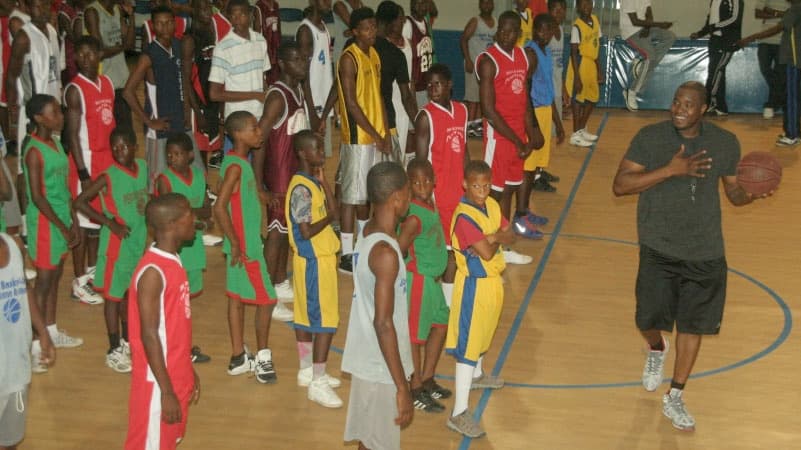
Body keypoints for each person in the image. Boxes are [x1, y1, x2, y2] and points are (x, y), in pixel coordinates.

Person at [612, 81, 771, 432]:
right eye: (675, 102)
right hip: (658, 245)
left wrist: (752, 194)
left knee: (693, 325)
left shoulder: (724, 142)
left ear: (702, 109)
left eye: (687, 104)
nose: (679, 109)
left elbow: (733, 191)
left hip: (705, 251)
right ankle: (656, 348)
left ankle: (676, 394)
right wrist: (671, 170)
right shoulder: (650, 138)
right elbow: (620, 185)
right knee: (646, 319)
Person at [342, 161, 413, 450]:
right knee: (378, 445)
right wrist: (401, 386)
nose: (410, 199)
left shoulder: (370, 230)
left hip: (371, 357)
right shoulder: (385, 253)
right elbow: (383, 323)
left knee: (369, 442)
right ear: (397, 198)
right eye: (407, 193)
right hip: (379, 365)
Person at [124, 193, 200, 450]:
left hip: (174, 374)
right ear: (173, 224)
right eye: (189, 213)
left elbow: (173, 330)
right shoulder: (152, 273)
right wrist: (166, 391)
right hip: (157, 385)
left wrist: (188, 371)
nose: (195, 218)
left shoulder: (173, 261)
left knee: (167, 442)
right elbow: (149, 335)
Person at [445, 160, 513, 438]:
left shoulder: (493, 206)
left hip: (493, 282)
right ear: (465, 184)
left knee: (484, 334)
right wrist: (496, 237)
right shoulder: (464, 217)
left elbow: (512, 235)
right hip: (473, 286)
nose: (482, 191)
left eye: (486, 185)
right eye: (476, 186)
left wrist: (493, 237)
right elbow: (486, 252)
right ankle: (458, 413)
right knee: (468, 345)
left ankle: (477, 375)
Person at [73, 127, 148, 374]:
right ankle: (113, 348)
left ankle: (127, 342)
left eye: (123, 146)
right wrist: (109, 222)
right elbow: (80, 202)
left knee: (128, 295)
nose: (119, 151)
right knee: (113, 297)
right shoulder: (108, 176)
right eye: (114, 147)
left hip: (137, 242)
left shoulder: (142, 168)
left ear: (134, 146)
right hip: (116, 245)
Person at [213, 111, 280, 383]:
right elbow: (219, 205)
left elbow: (245, 194)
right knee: (268, 299)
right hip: (246, 249)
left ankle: (239, 356)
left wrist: (266, 196)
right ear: (238, 134)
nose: (259, 132)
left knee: (236, 299)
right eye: (254, 128)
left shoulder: (240, 162)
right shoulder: (235, 167)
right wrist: (236, 242)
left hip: (240, 247)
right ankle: (263, 358)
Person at [22, 94, 83, 372]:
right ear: (38, 118)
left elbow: (63, 186)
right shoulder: (34, 151)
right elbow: (37, 197)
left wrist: (73, 219)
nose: (60, 116)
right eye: (54, 112)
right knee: (43, 283)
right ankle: (36, 345)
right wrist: (61, 224)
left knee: (56, 276)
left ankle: (52, 329)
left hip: (61, 219)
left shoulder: (56, 143)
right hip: (46, 224)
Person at [477, 11, 543, 263]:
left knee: (510, 190)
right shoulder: (488, 60)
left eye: (511, 31)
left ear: (519, 33)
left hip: (517, 137)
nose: (506, 35)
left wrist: (531, 133)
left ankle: (502, 248)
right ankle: (483, 245)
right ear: (497, 32)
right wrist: (517, 141)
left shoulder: (523, 58)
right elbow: (488, 110)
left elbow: (524, 100)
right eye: (502, 30)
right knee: (492, 193)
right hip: (499, 137)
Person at [251, 41, 308, 322]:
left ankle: (278, 279)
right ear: (283, 64)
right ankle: (266, 293)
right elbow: (258, 139)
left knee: (286, 230)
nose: (303, 63)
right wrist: (259, 184)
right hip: (279, 173)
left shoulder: (297, 89)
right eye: (296, 59)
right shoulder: (277, 97)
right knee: (276, 232)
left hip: (294, 172)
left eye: (304, 58)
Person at [286, 129, 343, 408]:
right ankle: (317, 381)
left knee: (308, 316)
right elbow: (306, 231)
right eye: (317, 149)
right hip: (313, 261)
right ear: (302, 153)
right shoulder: (300, 189)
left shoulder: (312, 183)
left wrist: (325, 185)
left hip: (318, 261)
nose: (322, 153)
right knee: (325, 321)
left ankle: (308, 370)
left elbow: (334, 214)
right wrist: (330, 216)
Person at [333, 7, 391, 274]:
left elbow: (377, 95)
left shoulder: (375, 55)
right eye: (367, 27)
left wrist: (385, 129)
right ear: (355, 31)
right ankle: (346, 255)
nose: (372, 31)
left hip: (376, 134)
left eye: (374, 26)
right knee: (350, 197)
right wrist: (376, 134)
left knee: (365, 195)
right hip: (357, 137)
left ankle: (362, 243)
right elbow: (351, 104)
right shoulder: (349, 59)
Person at [123, 6, 204, 193]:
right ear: (153, 26)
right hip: (161, 126)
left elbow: (185, 80)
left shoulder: (179, 46)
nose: (165, 27)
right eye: (159, 23)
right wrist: (149, 121)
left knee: (191, 171)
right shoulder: (149, 54)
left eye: (168, 22)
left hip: (181, 120)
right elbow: (128, 91)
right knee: (158, 182)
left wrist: (193, 111)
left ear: (175, 23)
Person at [153, 132, 214, 363]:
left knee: (185, 303)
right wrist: (194, 214)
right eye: (169, 155)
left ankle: (183, 346)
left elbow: (207, 209)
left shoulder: (199, 175)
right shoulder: (165, 180)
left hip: (194, 246)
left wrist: (191, 214)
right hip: (175, 249)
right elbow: (171, 214)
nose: (172, 159)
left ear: (190, 155)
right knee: (173, 302)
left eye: (177, 154)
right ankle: (171, 346)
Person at [397, 158, 451, 414]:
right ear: (408, 184)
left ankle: (427, 376)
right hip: (419, 280)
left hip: (433, 282)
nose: (422, 186)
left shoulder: (428, 204)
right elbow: (399, 247)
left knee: (440, 325)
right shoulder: (414, 217)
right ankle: (415, 385)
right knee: (415, 337)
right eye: (416, 182)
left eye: (427, 181)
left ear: (434, 180)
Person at [413, 63, 468, 314]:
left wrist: (469, 181)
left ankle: (448, 295)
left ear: (449, 85)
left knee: (457, 248)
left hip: (460, 192)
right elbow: (421, 163)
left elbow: (464, 148)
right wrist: (423, 198)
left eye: (437, 84)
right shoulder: (425, 117)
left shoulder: (462, 111)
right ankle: (445, 303)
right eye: (429, 85)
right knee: (446, 251)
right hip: (440, 195)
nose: (432, 89)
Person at [63, 36, 111, 306]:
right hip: (86, 163)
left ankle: (92, 272)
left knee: (96, 224)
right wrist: (83, 174)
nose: (84, 58)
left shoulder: (106, 84)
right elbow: (71, 136)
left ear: (100, 54)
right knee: (82, 224)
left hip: (105, 160)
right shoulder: (74, 90)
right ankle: (78, 281)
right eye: (79, 54)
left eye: (90, 53)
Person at [0, 221, 56, 448]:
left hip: (17, 370)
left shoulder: (14, 244)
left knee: (10, 439)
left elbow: (25, 289)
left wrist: (43, 333)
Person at [208, 0, 271, 157]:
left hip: (260, 118)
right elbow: (214, 94)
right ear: (229, 17)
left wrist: (265, 95)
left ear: (250, 15)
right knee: (237, 168)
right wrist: (254, 95)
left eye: (242, 14)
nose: (237, 19)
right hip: (238, 122)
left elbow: (263, 77)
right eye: (233, 15)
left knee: (257, 169)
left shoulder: (260, 41)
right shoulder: (222, 48)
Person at [738, 0, 801, 146]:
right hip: (796, 60)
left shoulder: (796, 8)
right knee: (795, 98)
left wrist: (750, 38)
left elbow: (777, 28)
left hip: (793, 60)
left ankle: (791, 135)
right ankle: (795, 131)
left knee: (790, 99)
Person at [7, 0, 64, 157]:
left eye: (45, 5)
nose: (43, 10)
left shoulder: (52, 31)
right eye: (37, 6)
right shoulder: (24, 38)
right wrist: (13, 116)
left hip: (53, 108)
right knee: (29, 162)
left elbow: (56, 70)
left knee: (52, 159)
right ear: (27, 8)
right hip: (34, 113)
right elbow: (11, 76)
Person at [523, 14, 564, 202]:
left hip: (546, 108)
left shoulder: (546, 51)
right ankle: (524, 205)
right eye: (541, 29)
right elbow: (525, 89)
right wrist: (532, 123)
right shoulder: (531, 53)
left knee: (540, 156)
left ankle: (537, 179)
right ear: (534, 30)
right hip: (535, 110)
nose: (545, 33)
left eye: (549, 29)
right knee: (529, 161)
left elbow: (548, 89)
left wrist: (559, 124)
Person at [374, 1, 417, 164]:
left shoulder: (406, 46)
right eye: (399, 19)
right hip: (388, 110)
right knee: (389, 163)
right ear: (391, 22)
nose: (402, 22)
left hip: (398, 109)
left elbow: (409, 86)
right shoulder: (388, 52)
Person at [182, 0, 222, 166]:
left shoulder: (211, 33)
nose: (207, 12)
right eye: (202, 8)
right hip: (197, 103)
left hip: (211, 99)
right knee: (197, 149)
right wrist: (197, 112)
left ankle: (204, 186)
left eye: (209, 8)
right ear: (194, 11)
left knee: (207, 148)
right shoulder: (189, 40)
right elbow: (185, 78)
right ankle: (200, 188)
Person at [84, 0, 134, 130]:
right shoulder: (92, 12)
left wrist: (131, 16)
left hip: (122, 79)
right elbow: (99, 51)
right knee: (108, 131)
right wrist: (122, 46)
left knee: (125, 130)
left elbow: (130, 43)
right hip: (104, 81)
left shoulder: (118, 10)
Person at [619, 0, 676, 112]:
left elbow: (649, 13)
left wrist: (647, 27)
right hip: (631, 32)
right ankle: (631, 92)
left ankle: (643, 65)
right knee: (650, 56)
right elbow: (635, 21)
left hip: (645, 28)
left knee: (670, 36)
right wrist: (660, 24)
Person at [690, 0, 744, 116]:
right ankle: (720, 106)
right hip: (715, 40)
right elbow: (711, 19)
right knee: (716, 73)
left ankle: (707, 103)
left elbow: (735, 18)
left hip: (728, 41)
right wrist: (700, 33)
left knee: (716, 72)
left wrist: (715, 26)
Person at [297, 0, 334, 158]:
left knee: (321, 155)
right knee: (310, 155)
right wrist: (312, 112)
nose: (328, 2)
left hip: (323, 101)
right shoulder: (306, 30)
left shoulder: (324, 27)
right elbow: (303, 74)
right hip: (311, 103)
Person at [565, 0, 603, 147]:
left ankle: (581, 128)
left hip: (591, 63)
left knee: (593, 98)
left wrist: (599, 68)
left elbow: (596, 46)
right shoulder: (577, 27)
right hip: (580, 63)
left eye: (589, 3)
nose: (586, 7)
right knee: (578, 100)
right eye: (583, 4)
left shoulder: (595, 20)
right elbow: (573, 53)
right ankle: (576, 133)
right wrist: (577, 78)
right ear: (578, 8)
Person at [460, 0, 495, 138]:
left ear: (493, 5)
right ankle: (468, 128)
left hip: (487, 69)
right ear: (480, 5)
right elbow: (463, 39)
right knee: (472, 99)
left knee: (484, 99)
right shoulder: (475, 21)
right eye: (484, 3)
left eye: (489, 3)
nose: (487, 5)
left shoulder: (496, 22)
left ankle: (478, 128)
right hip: (474, 65)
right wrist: (468, 59)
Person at [753, 1, 788, 119]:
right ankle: (782, 100)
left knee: (780, 74)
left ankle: (771, 105)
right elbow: (757, 13)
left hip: (784, 41)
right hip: (765, 40)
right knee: (765, 69)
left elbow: (793, 15)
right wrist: (780, 14)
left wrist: (771, 12)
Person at [403, 0, 434, 107]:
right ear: (412, 5)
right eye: (419, 3)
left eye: (425, 3)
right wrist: (410, 84)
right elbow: (404, 56)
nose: (423, 6)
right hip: (414, 86)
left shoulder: (425, 21)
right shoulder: (407, 24)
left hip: (426, 84)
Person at [547, 0, 568, 124]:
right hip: (546, 90)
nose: (559, 13)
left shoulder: (561, 29)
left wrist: (563, 88)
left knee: (556, 131)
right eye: (556, 10)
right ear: (549, 11)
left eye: (562, 10)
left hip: (557, 87)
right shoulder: (544, 31)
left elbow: (559, 64)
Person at [253, 0, 281, 84]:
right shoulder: (259, 6)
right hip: (265, 42)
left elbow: (279, 26)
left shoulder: (276, 5)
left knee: (276, 69)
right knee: (266, 69)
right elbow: (257, 30)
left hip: (276, 42)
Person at [332, 0, 363, 72]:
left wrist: (351, 32)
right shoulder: (339, 4)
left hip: (358, 53)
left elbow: (365, 26)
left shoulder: (360, 3)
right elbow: (354, 25)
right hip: (342, 52)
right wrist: (355, 30)